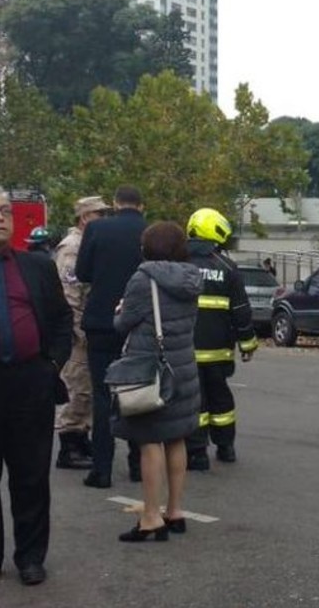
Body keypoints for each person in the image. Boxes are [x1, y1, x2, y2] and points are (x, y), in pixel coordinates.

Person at [0, 186, 73, 588]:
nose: (0, 218)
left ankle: (30, 557)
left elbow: (63, 320)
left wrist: (52, 366)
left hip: (31, 384)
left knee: (30, 478)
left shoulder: (37, 267)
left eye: (5, 211)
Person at [110, 222, 202, 542]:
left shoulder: (143, 278)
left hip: (152, 370)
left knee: (150, 441)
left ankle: (150, 517)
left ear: (146, 249)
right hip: (183, 367)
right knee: (176, 438)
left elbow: (124, 323)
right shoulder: (192, 278)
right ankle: (175, 511)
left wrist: (119, 311)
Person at [75, 185, 148, 488]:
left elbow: (82, 273)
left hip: (102, 321)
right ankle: (137, 464)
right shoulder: (150, 232)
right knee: (137, 393)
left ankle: (102, 469)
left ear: (116, 204)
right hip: (138, 323)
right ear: (141, 206)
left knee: (103, 395)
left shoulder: (97, 230)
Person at [183, 208, 258, 470]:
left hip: (184, 351)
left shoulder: (178, 264)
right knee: (220, 398)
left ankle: (196, 453)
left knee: (195, 401)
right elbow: (241, 310)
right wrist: (247, 344)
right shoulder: (227, 267)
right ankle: (226, 447)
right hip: (218, 351)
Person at [53, 196, 110, 470]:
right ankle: (70, 445)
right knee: (77, 386)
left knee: (86, 387)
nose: (105, 219)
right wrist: (77, 331)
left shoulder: (88, 243)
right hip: (78, 332)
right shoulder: (72, 248)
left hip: (86, 327)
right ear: (85, 217)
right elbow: (69, 295)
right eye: (100, 214)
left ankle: (81, 437)